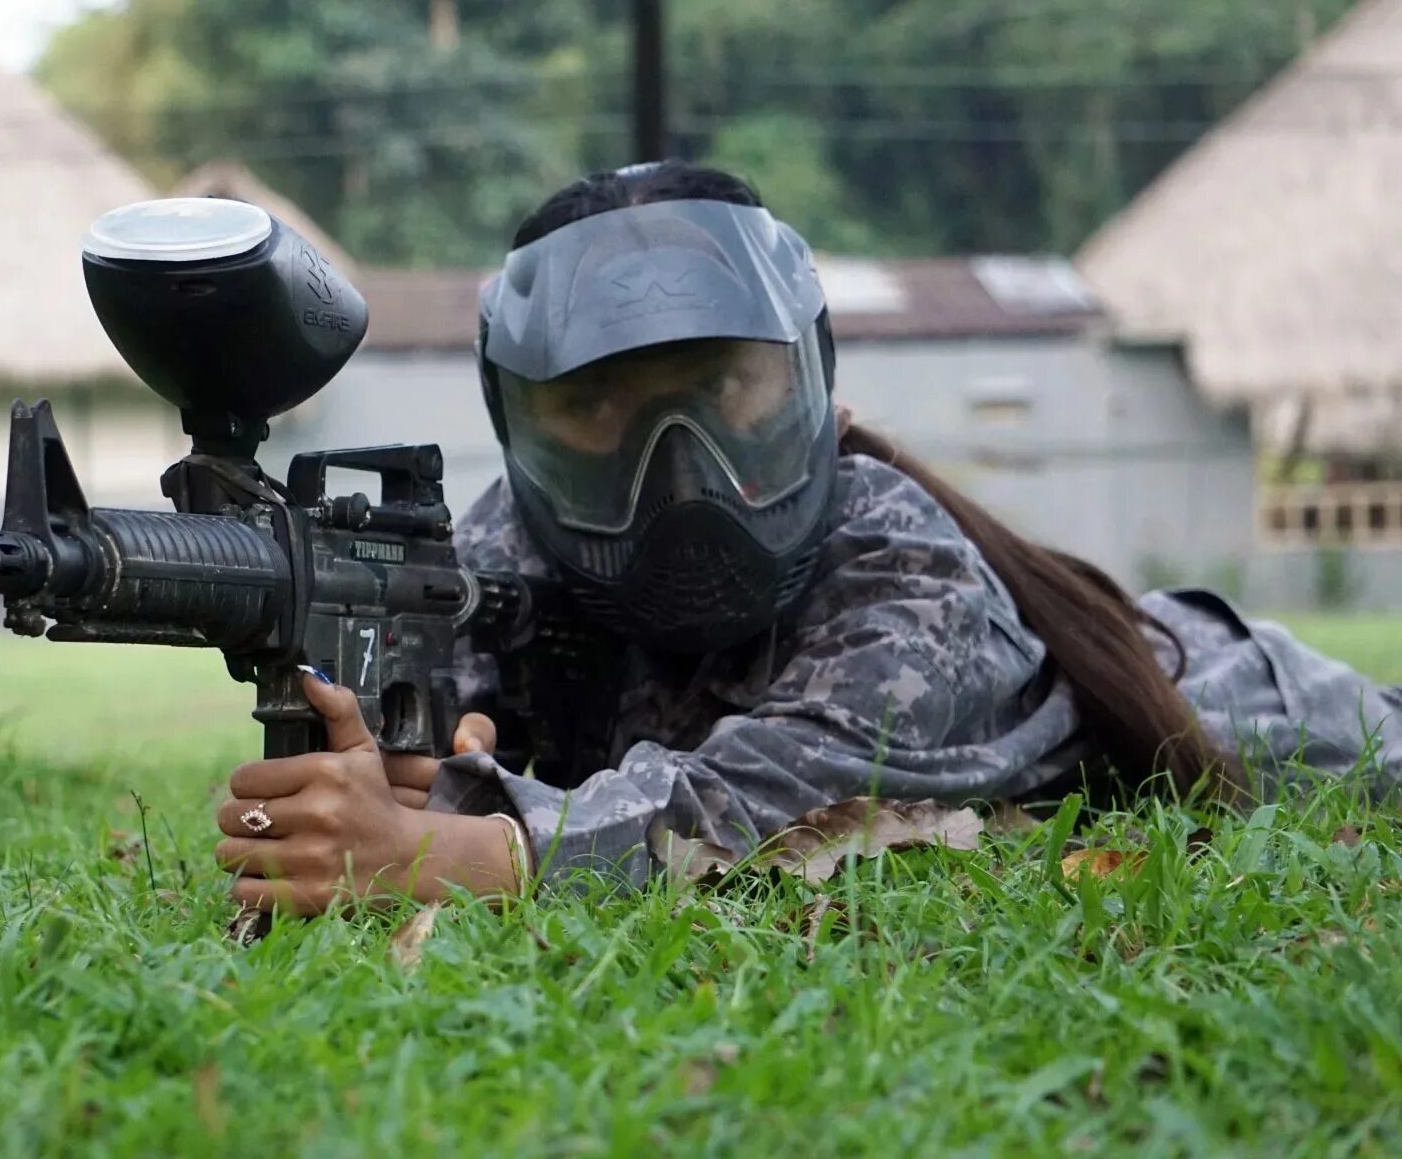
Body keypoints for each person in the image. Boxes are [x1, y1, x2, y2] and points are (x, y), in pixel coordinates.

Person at [212, 162, 1401, 915]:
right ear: (519, 429)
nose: (673, 469)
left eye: (719, 386)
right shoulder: (515, 543)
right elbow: (424, 760)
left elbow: (749, 814)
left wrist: (433, 853)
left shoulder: (908, 569)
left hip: (1268, 701)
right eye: (598, 406)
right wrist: (400, 778)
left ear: (815, 385)